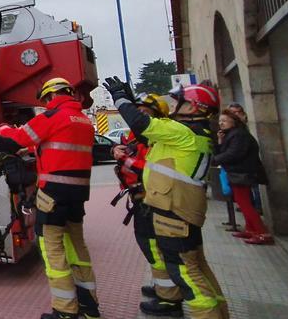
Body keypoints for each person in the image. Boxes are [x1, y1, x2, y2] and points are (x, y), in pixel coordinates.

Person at [104, 77, 228, 319]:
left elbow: (141, 125)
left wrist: (120, 99)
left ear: (193, 107)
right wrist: (130, 102)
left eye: (180, 102)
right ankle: (221, 312)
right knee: (198, 269)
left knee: (187, 275)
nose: (174, 106)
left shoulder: (183, 132)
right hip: (183, 210)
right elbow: (144, 136)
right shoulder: (195, 133)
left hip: (175, 213)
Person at [0, 77, 99, 319]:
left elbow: (18, 137)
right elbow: (60, 146)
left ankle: (65, 311)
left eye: (45, 100)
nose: (45, 104)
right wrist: (33, 149)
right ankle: (89, 308)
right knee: (77, 249)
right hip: (77, 196)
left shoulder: (52, 117)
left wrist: (2, 128)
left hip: (53, 194)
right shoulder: (84, 120)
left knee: (53, 250)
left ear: (51, 96)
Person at [112, 93, 184, 314]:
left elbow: (150, 169)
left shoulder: (160, 137)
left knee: (155, 248)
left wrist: (126, 160)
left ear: (157, 115)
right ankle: (163, 288)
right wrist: (115, 152)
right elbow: (127, 152)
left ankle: (169, 300)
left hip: (150, 199)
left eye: (145, 112)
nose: (139, 116)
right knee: (152, 248)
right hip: (141, 199)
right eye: (137, 111)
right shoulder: (137, 136)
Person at [214, 110, 271, 244]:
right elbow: (225, 152)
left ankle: (262, 232)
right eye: (220, 121)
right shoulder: (232, 134)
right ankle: (251, 229)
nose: (221, 123)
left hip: (242, 173)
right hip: (237, 173)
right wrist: (220, 141)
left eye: (225, 121)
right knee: (243, 202)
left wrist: (214, 160)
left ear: (234, 121)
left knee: (245, 203)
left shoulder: (239, 135)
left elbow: (234, 154)